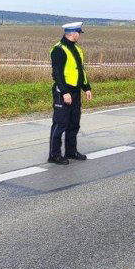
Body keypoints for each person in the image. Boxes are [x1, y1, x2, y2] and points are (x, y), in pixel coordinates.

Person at [48, 22, 93, 165]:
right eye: (79, 33)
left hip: (75, 91)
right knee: (60, 124)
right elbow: (57, 74)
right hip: (63, 92)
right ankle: (54, 155)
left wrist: (86, 88)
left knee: (74, 124)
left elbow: (80, 71)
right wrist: (65, 92)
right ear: (73, 33)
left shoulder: (77, 50)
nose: (79, 35)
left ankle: (71, 151)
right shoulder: (59, 50)